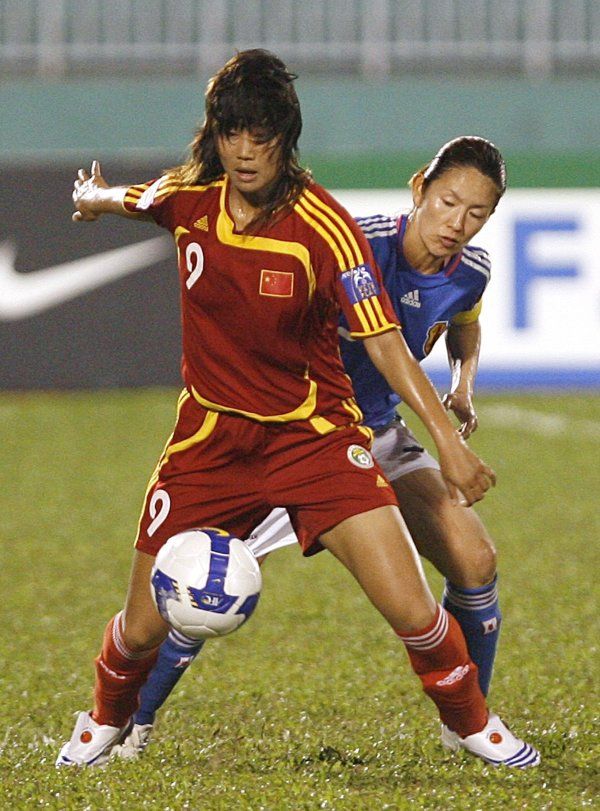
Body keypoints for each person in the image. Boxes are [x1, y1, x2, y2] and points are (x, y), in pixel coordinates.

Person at [56, 51, 538, 770]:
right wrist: (93, 199)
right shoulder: (196, 200)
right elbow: (137, 198)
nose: (246, 152)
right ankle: (111, 722)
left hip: (322, 437)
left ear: (286, 137)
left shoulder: (346, 233)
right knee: (161, 612)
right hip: (213, 440)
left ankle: (472, 723)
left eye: (262, 136)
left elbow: (397, 341)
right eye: (232, 134)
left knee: (431, 590)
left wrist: (453, 422)